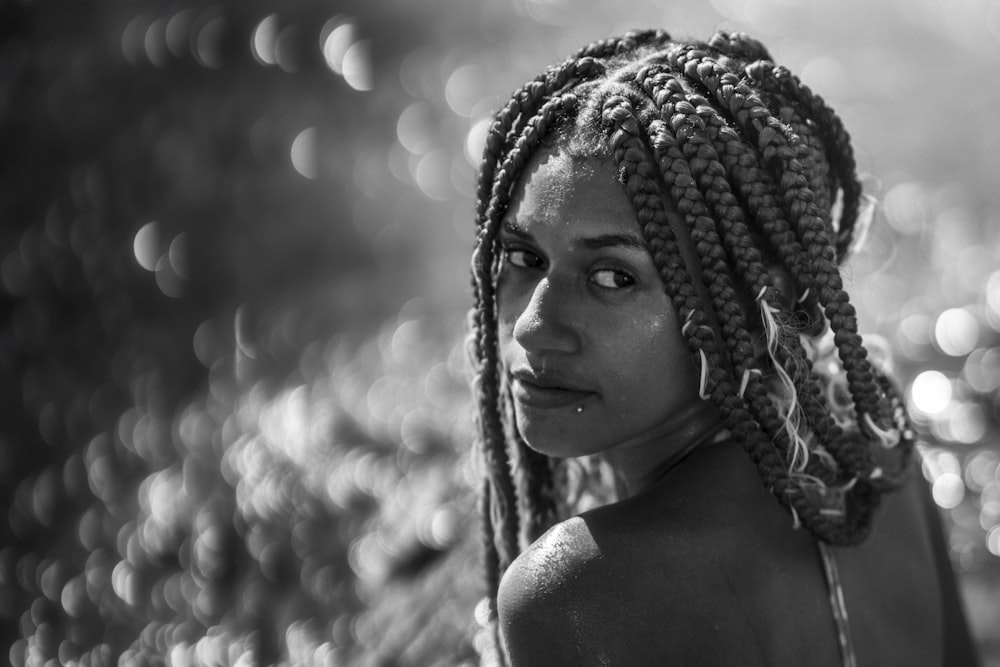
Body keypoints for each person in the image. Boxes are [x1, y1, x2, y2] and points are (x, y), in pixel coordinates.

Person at [467, 29, 978, 666]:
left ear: (753, 301)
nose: (532, 326)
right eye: (522, 257)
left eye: (612, 277)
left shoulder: (576, 591)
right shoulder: (877, 460)